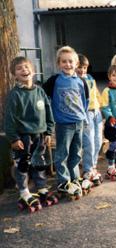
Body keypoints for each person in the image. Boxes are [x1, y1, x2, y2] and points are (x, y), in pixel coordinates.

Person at [5, 57, 57, 212]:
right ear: (14, 75)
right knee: (23, 164)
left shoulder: (40, 91)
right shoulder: (15, 95)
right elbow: (9, 118)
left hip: (40, 135)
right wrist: (14, 138)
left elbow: (48, 112)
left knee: (39, 163)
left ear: (33, 71)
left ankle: (41, 188)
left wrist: (48, 131)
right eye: (19, 68)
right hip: (23, 137)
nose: (24, 70)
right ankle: (24, 191)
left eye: (26, 67)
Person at [43, 46, 89, 199]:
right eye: (64, 62)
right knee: (62, 153)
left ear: (76, 63)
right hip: (63, 124)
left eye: (71, 61)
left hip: (79, 122)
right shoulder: (54, 80)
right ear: (59, 63)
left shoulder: (81, 81)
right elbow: (44, 98)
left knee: (76, 153)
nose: (68, 64)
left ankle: (74, 178)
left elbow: (85, 101)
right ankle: (63, 181)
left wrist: (83, 117)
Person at [76, 54, 103, 190]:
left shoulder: (90, 78)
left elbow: (96, 94)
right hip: (86, 113)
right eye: (79, 67)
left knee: (98, 141)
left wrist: (101, 107)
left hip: (96, 112)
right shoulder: (75, 81)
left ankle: (93, 166)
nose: (82, 70)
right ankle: (87, 169)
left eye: (84, 67)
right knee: (89, 142)